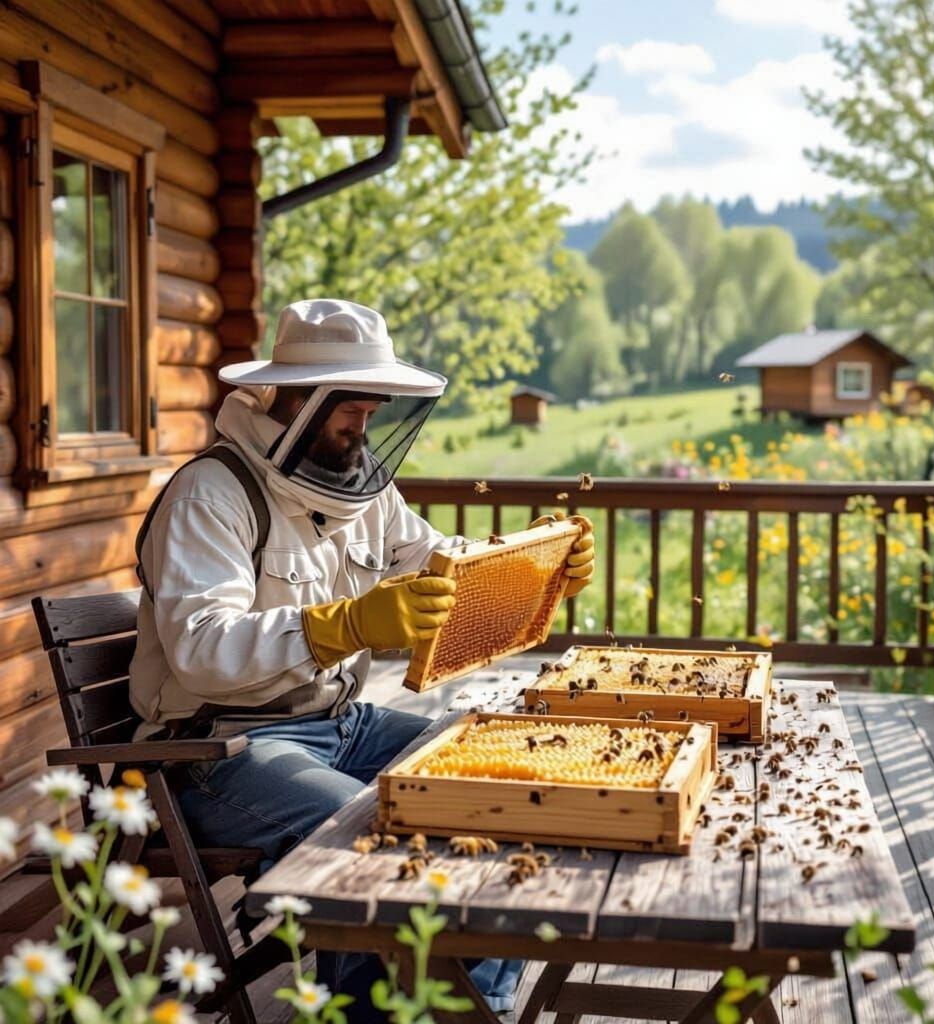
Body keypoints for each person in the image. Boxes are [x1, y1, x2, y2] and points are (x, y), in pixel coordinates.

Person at [129, 298, 595, 1018]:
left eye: (374, 410)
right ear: (294, 397)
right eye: (353, 407)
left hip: (343, 723)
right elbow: (199, 651)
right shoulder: (210, 494)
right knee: (372, 839)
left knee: (509, 787)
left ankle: (477, 1007)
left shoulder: (355, 481)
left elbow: (441, 561)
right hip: (221, 749)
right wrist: (340, 625)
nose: (365, 425)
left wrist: (532, 567)